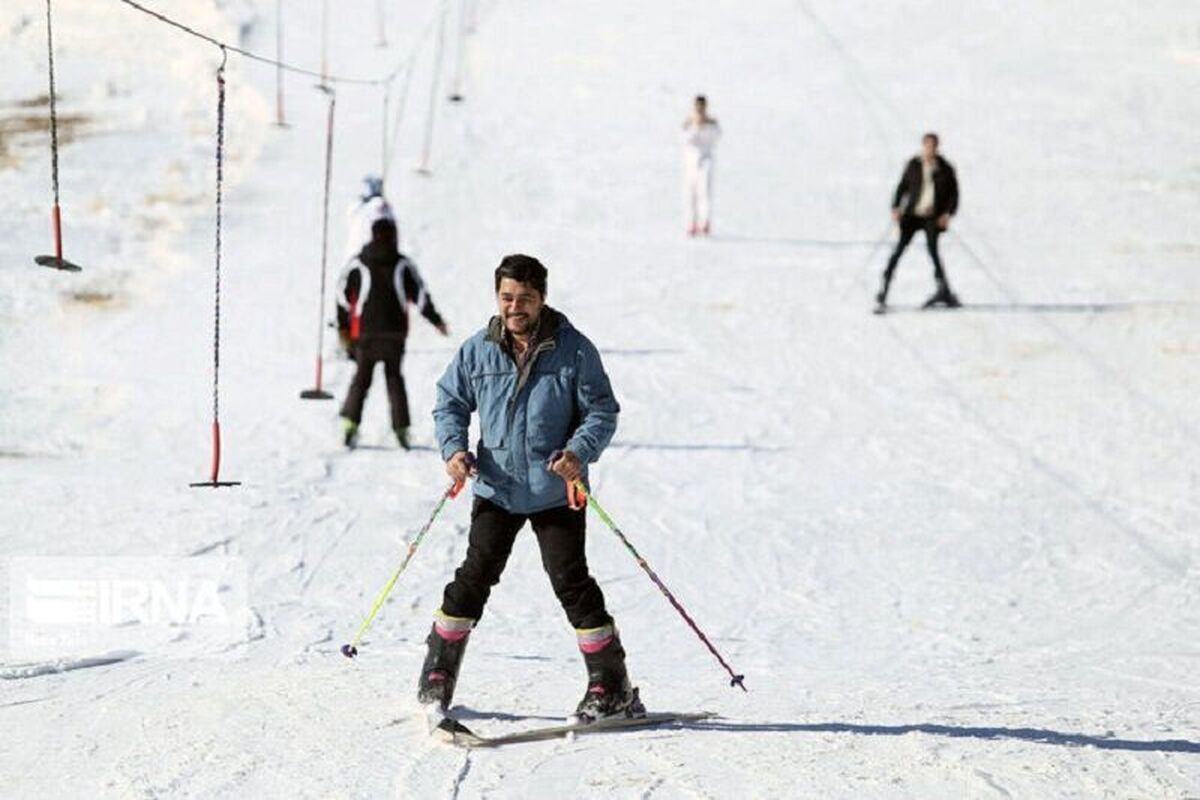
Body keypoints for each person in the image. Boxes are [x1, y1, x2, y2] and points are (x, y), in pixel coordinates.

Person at [419, 254, 640, 723]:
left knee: (571, 582)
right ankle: (437, 673)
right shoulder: (477, 350)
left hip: (555, 490)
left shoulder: (574, 350)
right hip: (496, 488)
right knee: (473, 577)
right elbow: (450, 404)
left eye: (524, 298)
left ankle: (610, 683)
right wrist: (454, 450)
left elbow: (602, 411)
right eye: (506, 297)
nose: (514, 307)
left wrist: (578, 452)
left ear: (542, 299)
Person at [337, 218, 447, 450]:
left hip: (365, 334)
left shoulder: (359, 263)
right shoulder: (402, 264)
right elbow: (420, 296)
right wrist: (435, 320)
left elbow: (342, 296)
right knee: (394, 379)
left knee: (361, 379)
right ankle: (401, 429)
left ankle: (349, 425)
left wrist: (343, 327)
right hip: (394, 335)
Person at [876, 132, 961, 311]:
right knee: (899, 250)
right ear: (923, 146)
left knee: (933, 251)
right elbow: (902, 187)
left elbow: (954, 194)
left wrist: (947, 214)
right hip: (912, 215)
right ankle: (884, 289)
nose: (930, 149)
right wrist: (896, 207)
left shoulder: (945, 168)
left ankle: (943, 289)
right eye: (927, 146)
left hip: (932, 216)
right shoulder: (913, 165)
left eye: (933, 146)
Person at [682, 95, 720, 237]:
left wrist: (705, 125)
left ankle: (705, 223)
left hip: (706, 159)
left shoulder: (712, 124)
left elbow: (716, 138)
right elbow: (686, 140)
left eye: (702, 106)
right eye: (698, 106)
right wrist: (695, 126)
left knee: (704, 191)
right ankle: (692, 223)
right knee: (691, 193)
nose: (700, 109)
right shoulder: (689, 123)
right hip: (691, 161)